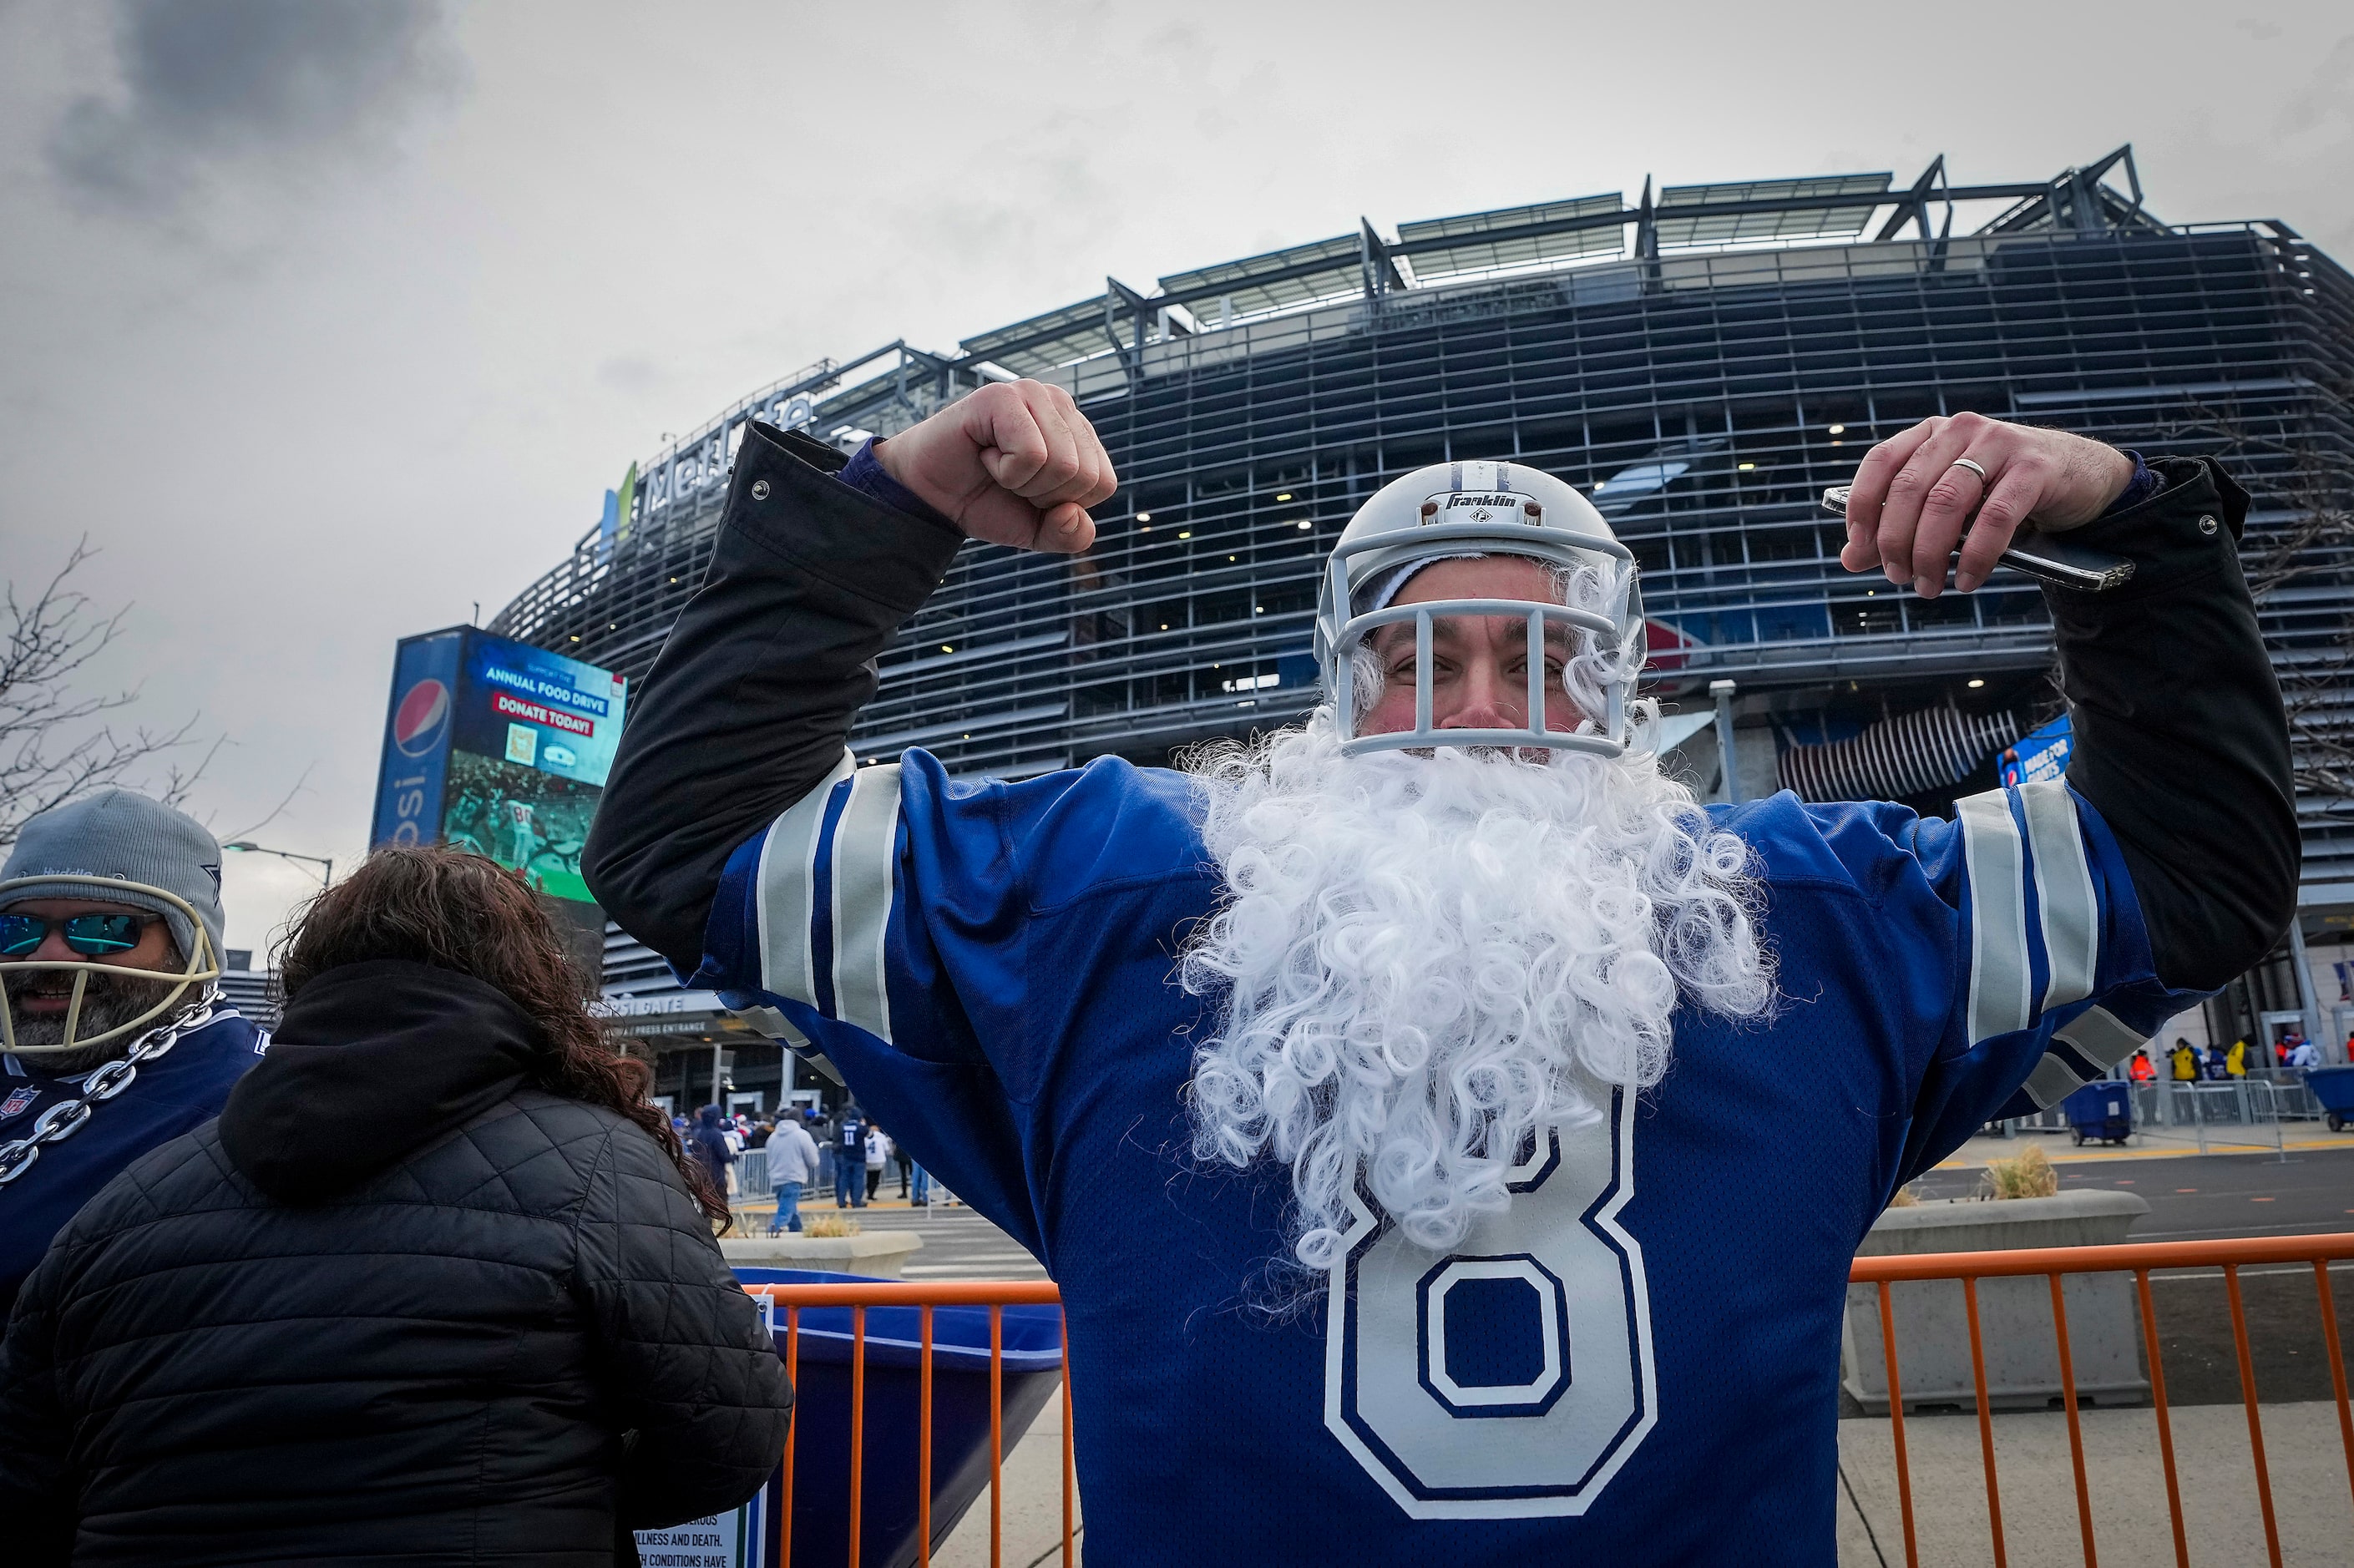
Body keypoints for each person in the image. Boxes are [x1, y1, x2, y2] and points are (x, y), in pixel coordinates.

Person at [584, 383, 2294, 1563]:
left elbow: (2198, 877)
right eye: (1419, 658)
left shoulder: (1799, 910)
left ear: (1618, 692)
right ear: (1336, 688)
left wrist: (2130, 535)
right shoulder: (1116, 891)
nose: (1478, 714)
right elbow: (682, 842)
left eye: (1532, 659)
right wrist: (876, 509)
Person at [0, 843, 791, 1565]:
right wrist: (558, 1487)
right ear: (533, 981)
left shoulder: (123, 1202)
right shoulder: (596, 1164)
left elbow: (28, 1479)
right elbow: (728, 1437)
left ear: (310, 974)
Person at [0, 789, 263, 1317]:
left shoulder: (247, 1104)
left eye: (103, 929)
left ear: (190, 945)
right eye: (18, 926)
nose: (50, 953)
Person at [765, 1109, 821, 1235]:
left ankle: (797, 1229)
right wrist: (813, 1164)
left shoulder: (773, 1136)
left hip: (776, 1177)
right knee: (787, 1207)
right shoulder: (801, 1135)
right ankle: (774, 1228)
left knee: (789, 1205)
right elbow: (812, 1158)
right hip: (793, 1176)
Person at [687, 1103, 737, 1196]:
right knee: (719, 1205)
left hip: (701, 1176)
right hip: (716, 1177)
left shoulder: (698, 1133)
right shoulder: (716, 1134)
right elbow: (724, 1156)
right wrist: (734, 1157)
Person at [832, 1101, 868, 1208]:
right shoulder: (860, 1128)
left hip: (846, 1155)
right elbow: (868, 1133)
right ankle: (856, 1201)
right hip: (859, 1156)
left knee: (844, 1179)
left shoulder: (843, 1126)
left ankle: (841, 1201)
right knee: (858, 1179)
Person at [865, 1124, 890, 1203]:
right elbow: (887, 1148)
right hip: (879, 1160)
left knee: (869, 1177)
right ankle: (871, 1193)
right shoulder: (881, 1137)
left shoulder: (865, 1136)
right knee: (876, 1178)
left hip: (868, 1159)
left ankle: (869, 1192)